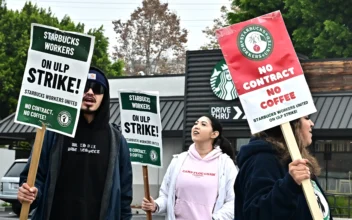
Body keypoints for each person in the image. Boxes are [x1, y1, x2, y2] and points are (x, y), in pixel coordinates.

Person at [17, 67, 133, 220]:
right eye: (85, 86)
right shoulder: (53, 132)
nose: (90, 92)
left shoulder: (116, 140)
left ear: (104, 97)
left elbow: (124, 193)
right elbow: (35, 177)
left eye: (97, 89)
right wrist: (30, 193)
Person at [235, 116, 332, 220]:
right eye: (307, 118)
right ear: (292, 124)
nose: (312, 123)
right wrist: (289, 186)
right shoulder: (262, 161)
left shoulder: (294, 160)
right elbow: (257, 213)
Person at [141, 115, 238, 220]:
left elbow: (233, 202)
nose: (196, 127)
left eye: (203, 124)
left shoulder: (225, 164)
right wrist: (155, 205)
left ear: (214, 134)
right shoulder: (178, 160)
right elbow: (166, 196)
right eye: (195, 123)